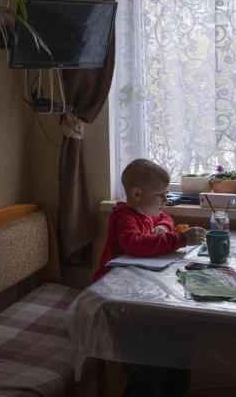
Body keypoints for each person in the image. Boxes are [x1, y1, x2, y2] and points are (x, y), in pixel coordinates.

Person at [92, 158, 206, 397]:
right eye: (161, 194)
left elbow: (164, 219)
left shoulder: (147, 211)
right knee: (156, 355)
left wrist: (164, 228)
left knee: (181, 342)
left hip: (137, 295)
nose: (165, 200)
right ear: (136, 194)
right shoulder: (124, 217)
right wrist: (180, 239)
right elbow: (134, 244)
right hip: (115, 301)